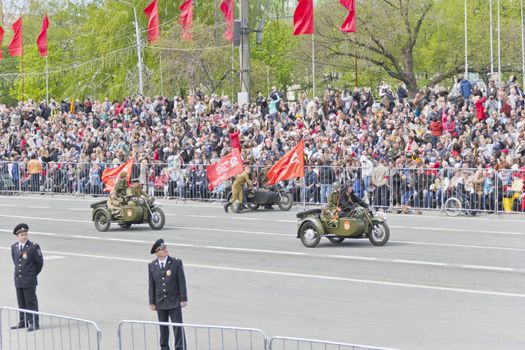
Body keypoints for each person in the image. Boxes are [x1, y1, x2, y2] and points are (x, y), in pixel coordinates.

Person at [148, 239, 188, 350]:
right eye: (162, 249)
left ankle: (180, 348)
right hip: (160, 302)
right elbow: (151, 285)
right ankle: (164, 347)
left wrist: (183, 299)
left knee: (177, 327)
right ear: (157, 253)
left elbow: (181, 281)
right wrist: (152, 302)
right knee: (163, 328)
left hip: (174, 301)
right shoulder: (152, 265)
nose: (165, 250)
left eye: (165, 248)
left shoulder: (176, 262)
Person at [10, 223, 43, 332]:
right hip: (18, 279)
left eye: (25, 234)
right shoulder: (14, 247)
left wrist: (31, 274)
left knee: (31, 302)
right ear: (17, 236)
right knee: (21, 302)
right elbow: (15, 262)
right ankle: (23, 321)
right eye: (21, 235)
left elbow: (39, 263)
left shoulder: (33, 247)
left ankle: (34, 322)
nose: (24, 236)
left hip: (29, 280)